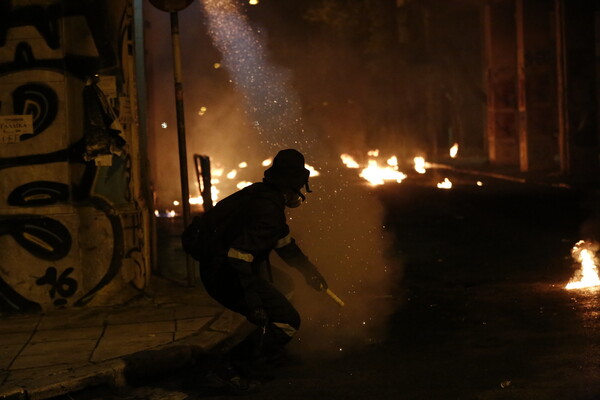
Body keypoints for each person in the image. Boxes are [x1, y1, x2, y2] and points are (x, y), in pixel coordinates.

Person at [184, 148, 328, 394]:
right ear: (290, 185)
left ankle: (263, 353)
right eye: (299, 186)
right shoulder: (269, 212)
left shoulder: (262, 196)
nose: (300, 194)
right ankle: (226, 370)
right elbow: (238, 257)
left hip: (222, 267)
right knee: (288, 321)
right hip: (224, 274)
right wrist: (254, 303)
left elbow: (284, 245)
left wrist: (309, 273)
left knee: (286, 287)